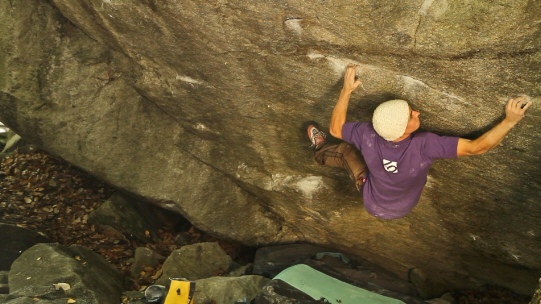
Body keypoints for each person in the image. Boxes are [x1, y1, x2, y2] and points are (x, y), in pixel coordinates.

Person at [308, 64, 532, 219]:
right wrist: (510, 121)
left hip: (374, 201)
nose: (417, 112)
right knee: (353, 156)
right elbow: (476, 147)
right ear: (401, 131)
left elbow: (336, 128)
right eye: (411, 116)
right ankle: (320, 151)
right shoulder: (425, 146)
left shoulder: (367, 134)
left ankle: (321, 150)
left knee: (347, 152)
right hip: (403, 206)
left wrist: (346, 90)